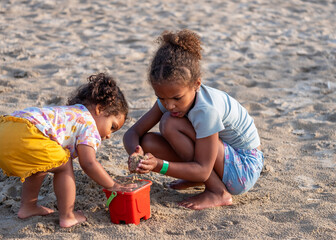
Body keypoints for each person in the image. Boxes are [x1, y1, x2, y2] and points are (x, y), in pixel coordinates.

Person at [123, 29, 264, 210]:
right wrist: (136, 152)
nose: (169, 105)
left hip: (243, 168)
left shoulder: (207, 110)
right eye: (161, 98)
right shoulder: (171, 98)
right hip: (222, 160)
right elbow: (133, 132)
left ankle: (218, 192)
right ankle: (195, 178)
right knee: (148, 141)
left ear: (196, 84)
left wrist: (159, 165)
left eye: (176, 98)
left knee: (169, 123)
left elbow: (204, 168)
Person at [0, 73, 129, 228]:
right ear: (99, 109)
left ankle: (28, 206)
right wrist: (113, 185)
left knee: (44, 164)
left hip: (8, 128)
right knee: (64, 164)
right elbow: (88, 163)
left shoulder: (70, 112)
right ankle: (68, 216)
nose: (108, 135)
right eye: (112, 126)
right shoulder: (88, 123)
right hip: (26, 134)